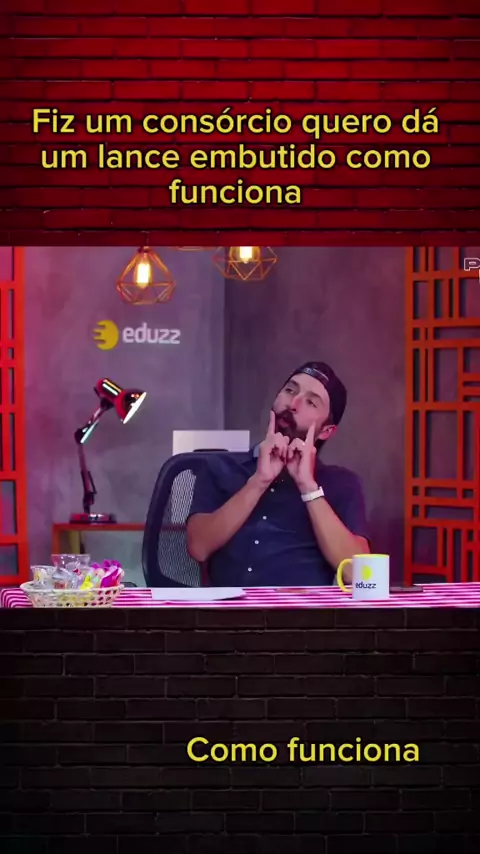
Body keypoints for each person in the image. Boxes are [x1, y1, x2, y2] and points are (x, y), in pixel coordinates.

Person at [186, 362, 370, 586]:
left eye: (311, 402)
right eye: (290, 390)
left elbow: (357, 574)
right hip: (230, 606)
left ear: (326, 431)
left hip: (302, 608)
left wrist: (308, 488)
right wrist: (259, 482)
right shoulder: (219, 467)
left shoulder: (342, 484)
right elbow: (198, 548)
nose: (293, 404)